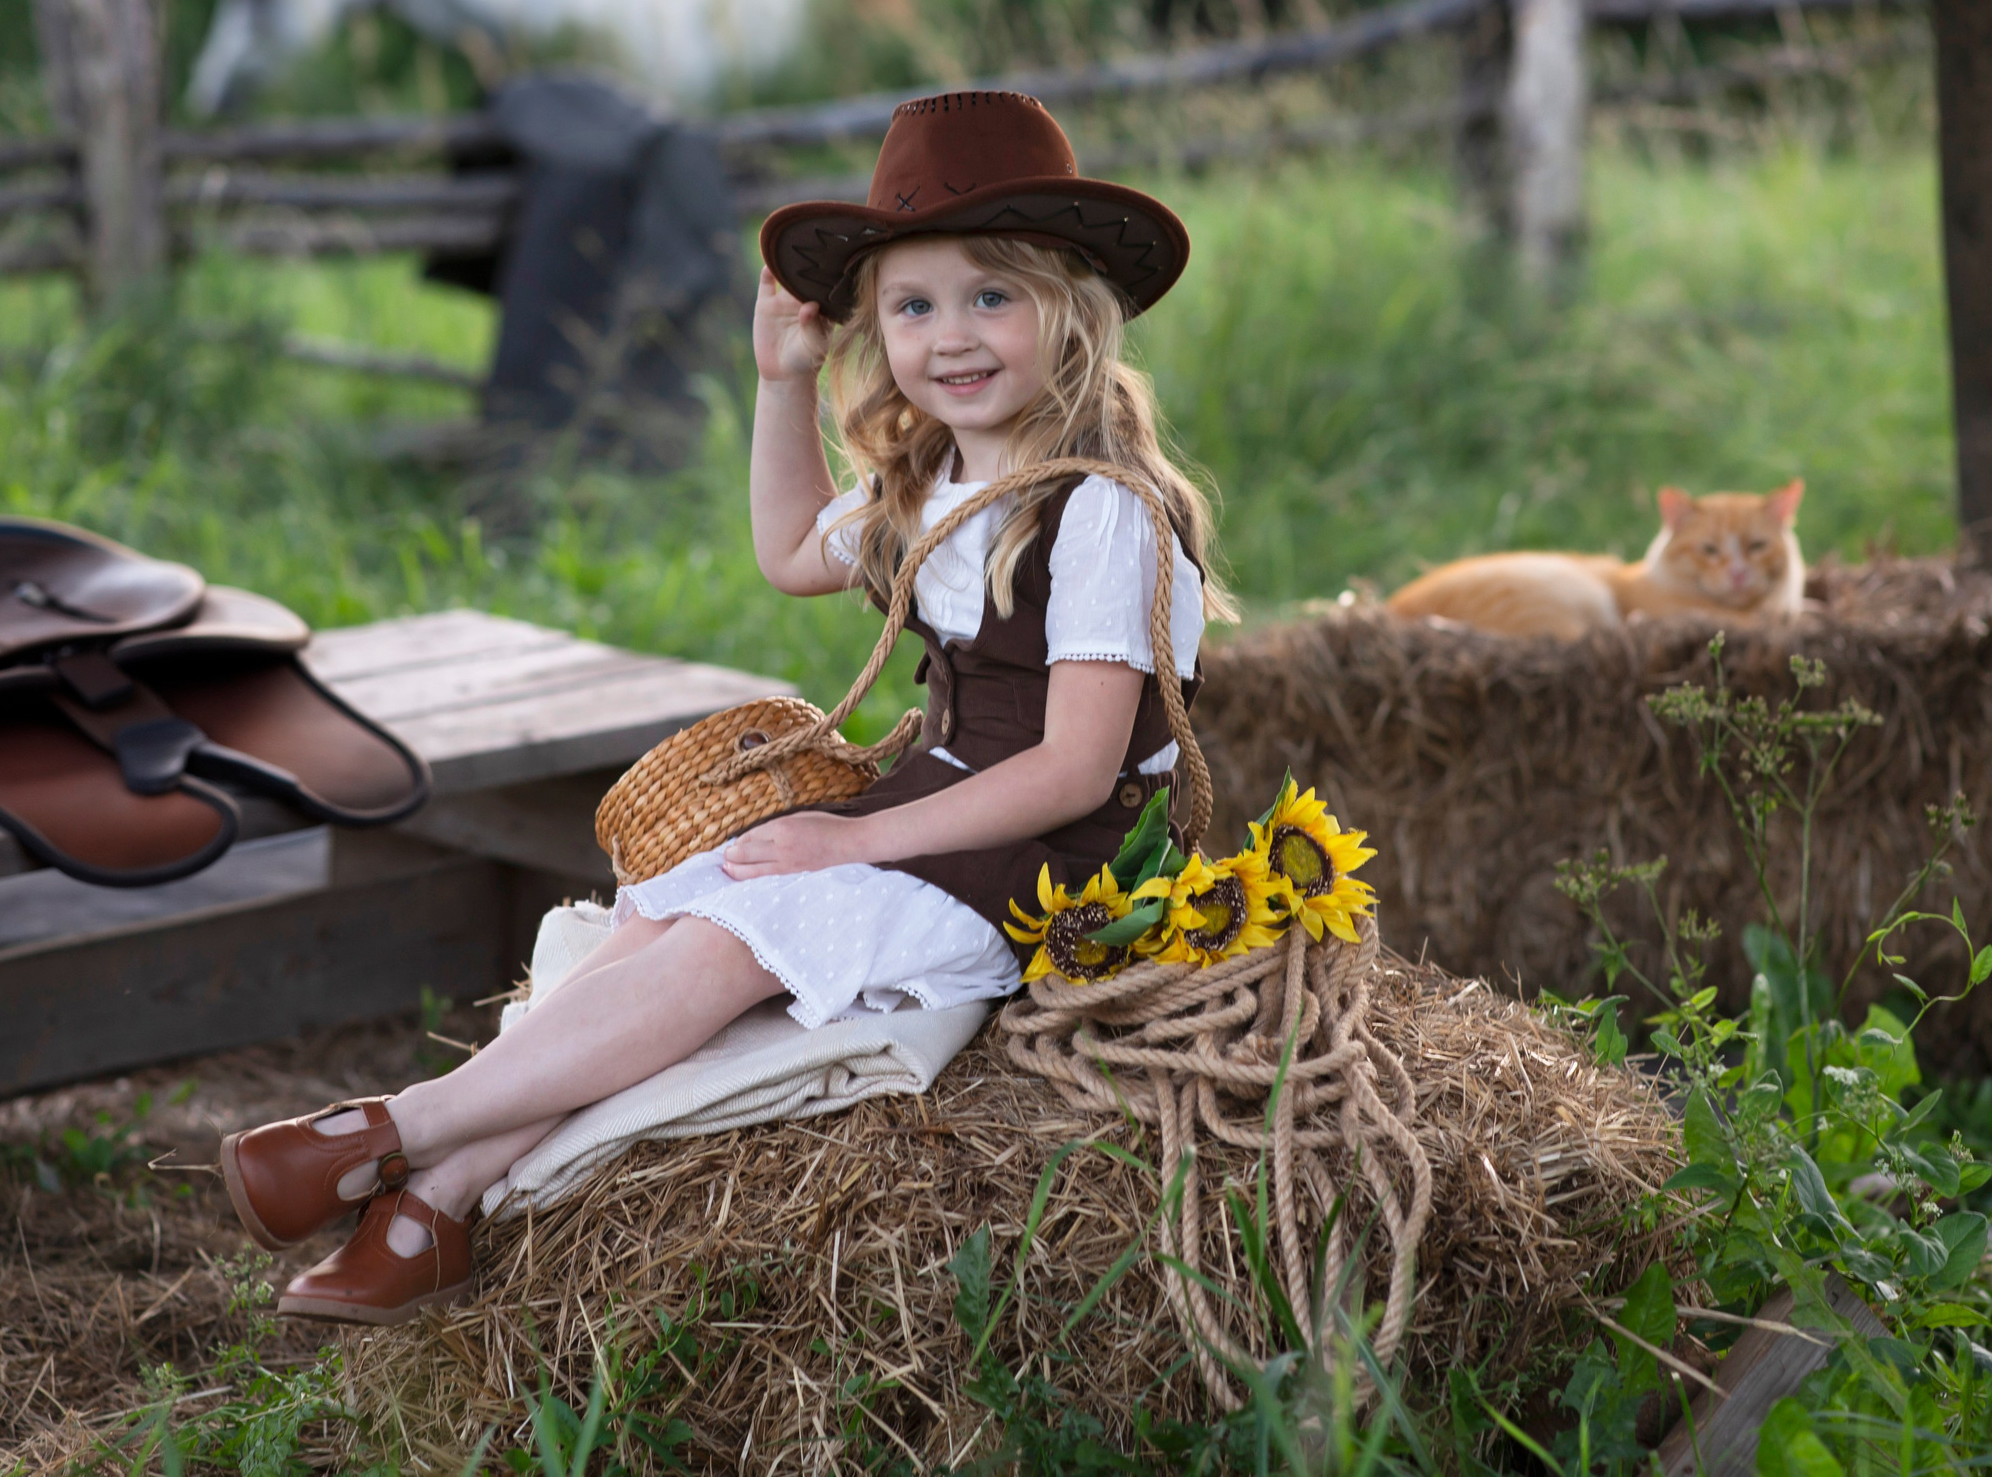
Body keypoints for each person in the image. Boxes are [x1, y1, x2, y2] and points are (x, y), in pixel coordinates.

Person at [216, 90, 1234, 1324]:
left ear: (1070, 312)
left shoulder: (1103, 510)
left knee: (728, 944)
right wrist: (776, 382)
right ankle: (436, 1204)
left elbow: (1073, 770)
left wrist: (853, 842)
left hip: (1048, 865)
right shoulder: (939, 477)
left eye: (990, 297)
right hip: (942, 813)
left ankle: (390, 1132)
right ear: (876, 332)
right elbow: (792, 553)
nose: (951, 337)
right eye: (913, 307)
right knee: (662, 919)